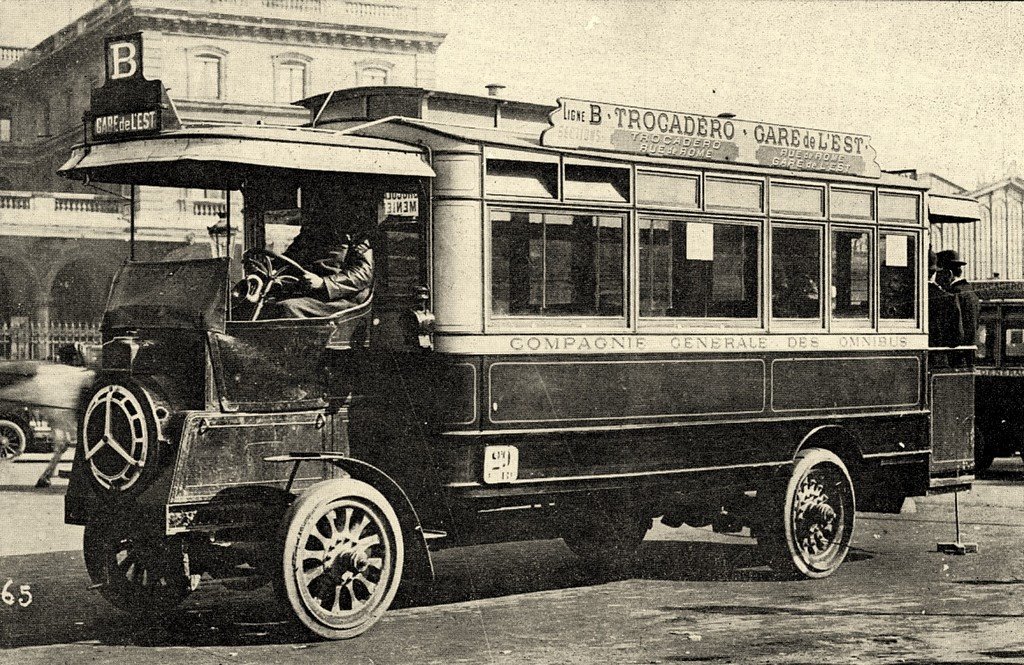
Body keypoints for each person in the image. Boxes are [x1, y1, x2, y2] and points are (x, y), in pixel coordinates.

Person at [258, 187, 375, 320]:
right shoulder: (312, 232)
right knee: (256, 305)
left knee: (287, 308)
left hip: (342, 299)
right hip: (310, 295)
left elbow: (363, 273)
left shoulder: (357, 235)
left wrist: (323, 283)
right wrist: (262, 270)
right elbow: (287, 259)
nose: (317, 207)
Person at [936, 249, 979, 348]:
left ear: (948, 273)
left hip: (954, 353)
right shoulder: (971, 293)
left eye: (938, 273)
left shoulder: (952, 294)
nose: (937, 278)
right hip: (968, 352)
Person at [927, 249, 962, 348]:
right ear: (935, 272)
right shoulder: (949, 298)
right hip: (940, 359)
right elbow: (957, 338)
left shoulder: (909, 296)